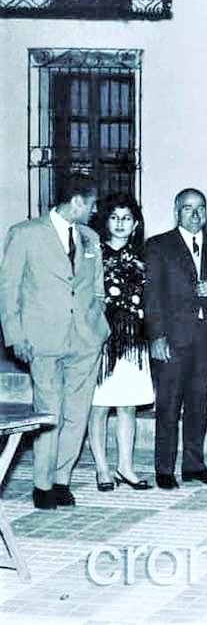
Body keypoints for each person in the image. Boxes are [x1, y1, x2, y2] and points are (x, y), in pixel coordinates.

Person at [0, 173, 108, 509]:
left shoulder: (90, 238)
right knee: (49, 412)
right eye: (91, 204)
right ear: (77, 202)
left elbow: (98, 288)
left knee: (77, 412)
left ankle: (62, 479)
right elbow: (8, 289)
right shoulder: (25, 234)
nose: (94, 211)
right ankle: (42, 484)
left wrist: (100, 326)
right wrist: (15, 335)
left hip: (85, 340)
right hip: (41, 340)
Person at [144, 188, 207, 489]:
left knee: (199, 404)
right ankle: (164, 469)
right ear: (176, 212)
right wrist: (156, 336)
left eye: (200, 208)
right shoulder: (159, 246)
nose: (195, 214)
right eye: (187, 208)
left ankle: (194, 465)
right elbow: (152, 296)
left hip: (206, 337)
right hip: (172, 338)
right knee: (169, 404)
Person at [87, 193, 155, 492]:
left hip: (134, 344)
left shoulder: (143, 258)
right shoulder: (92, 255)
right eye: (114, 217)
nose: (120, 223)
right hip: (101, 342)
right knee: (99, 407)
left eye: (126, 218)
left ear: (136, 224)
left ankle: (125, 466)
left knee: (127, 406)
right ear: (105, 222)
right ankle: (102, 468)